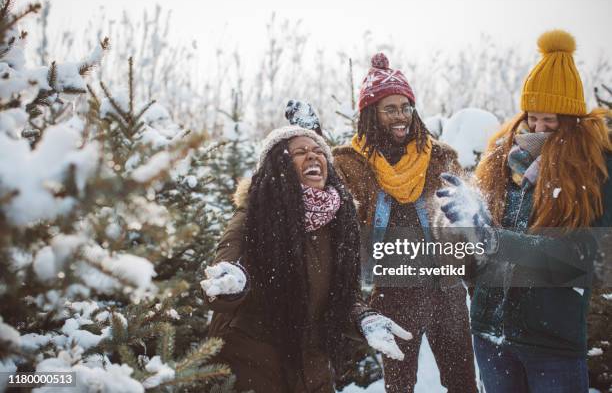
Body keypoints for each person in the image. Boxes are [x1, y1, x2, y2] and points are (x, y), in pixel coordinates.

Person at [437, 29, 612, 393]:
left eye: (552, 120)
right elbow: (474, 249)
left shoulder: (594, 172)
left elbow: (573, 257)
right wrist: (462, 225)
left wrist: (492, 238)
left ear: (573, 121)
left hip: (552, 342)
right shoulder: (500, 162)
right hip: (490, 334)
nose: (539, 128)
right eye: (534, 117)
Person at [199, 123, 412, 393]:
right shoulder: (253, 215)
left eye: (318, 151)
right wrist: (232, 281)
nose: (313, 156)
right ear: (280, 165)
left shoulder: (338, 222)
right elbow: (222, 274)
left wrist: (364, 317)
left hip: (312, 365)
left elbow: (341, 297)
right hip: (252, 361)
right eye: (299, 152)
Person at [332, 53, 478, 393]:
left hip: (447, 292)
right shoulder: (350, 165)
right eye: (390, 109)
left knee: (463, 384)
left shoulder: (440, 157)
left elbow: (468, 218)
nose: (401, 116)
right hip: (393, 294)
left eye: (406, 107)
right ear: (371, 115)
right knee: (399, 387)